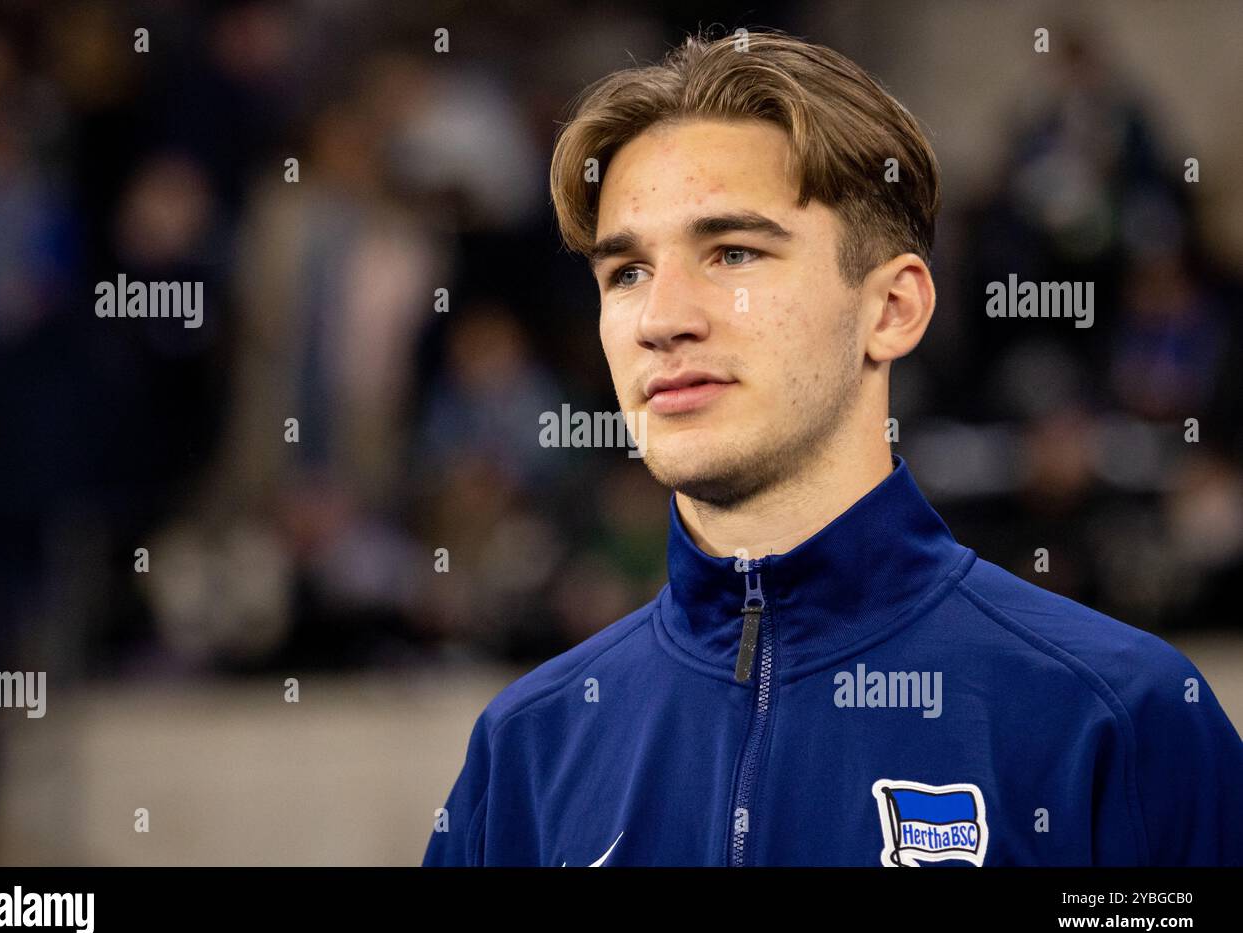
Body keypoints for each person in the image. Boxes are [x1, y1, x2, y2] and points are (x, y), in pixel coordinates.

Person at [422, 28, 1243, 866]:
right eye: (626, 272)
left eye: (733, 252)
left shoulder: (1120, 720)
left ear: (893, 309)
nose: (662, 319)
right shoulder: (522, 756)